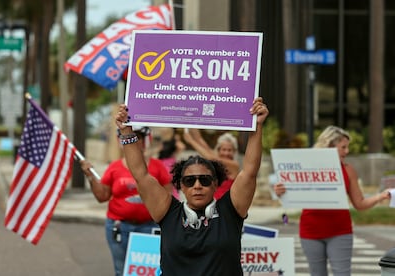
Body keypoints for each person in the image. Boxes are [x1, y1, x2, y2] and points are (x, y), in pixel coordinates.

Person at [114, 97, 269, 275]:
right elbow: (141, 174)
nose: (197, 185)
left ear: (215, 184)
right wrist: (126, 131)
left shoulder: (231, 210)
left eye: (204, 180)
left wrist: (256, 127)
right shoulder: (167, 211)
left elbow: (249, 171)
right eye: (190, 180)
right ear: (181, 186)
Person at [274, 125, 392, 276]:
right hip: (310, 231)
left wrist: (380, 196)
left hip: (340, 231)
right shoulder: (305, 166)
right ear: (330, 146)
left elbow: (360, 203)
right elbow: (292, 191)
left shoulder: (348, 170)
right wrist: (281, 191)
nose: (347, 151)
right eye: (343, 147)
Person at [80, 126, 172, 276]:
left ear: (144, 141)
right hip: (119, 228)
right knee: (121, 270)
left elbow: (168, 197)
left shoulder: (158, 167)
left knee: (148, 272)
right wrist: (90, 176)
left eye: (138, 137)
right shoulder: (114, 167)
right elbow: (102, 196)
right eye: (129, 138)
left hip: (149, 228)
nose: (133, 141)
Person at [183, 127, 239, 199]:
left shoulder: (234, 165)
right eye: (224, 149)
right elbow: (200, 140)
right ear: (218, 150)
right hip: (213, 201)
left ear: (234, 152)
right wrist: (193, 123)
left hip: (226, 203)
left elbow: (211, 158)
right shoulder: (216, 158)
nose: (226, 153)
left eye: (229, 150)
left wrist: (190, 141)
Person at [157, 128, 186, 200]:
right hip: (161, 163)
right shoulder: (161, 140)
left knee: (171, 183)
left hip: (170, 163)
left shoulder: (174, 139)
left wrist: (177, 141)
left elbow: (182, 147)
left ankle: (174, 199)